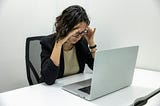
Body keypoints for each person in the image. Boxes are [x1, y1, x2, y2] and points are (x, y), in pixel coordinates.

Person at [40, 5, 97, 85]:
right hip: (52, 91)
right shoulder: (48, 42)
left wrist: (91, 43)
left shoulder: (81, 42)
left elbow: (96, 68)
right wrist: (59, 44)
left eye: (82, 32)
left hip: (73, 87)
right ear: (65, 27)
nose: (78, 36)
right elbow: (49, 79)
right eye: (76, 31)